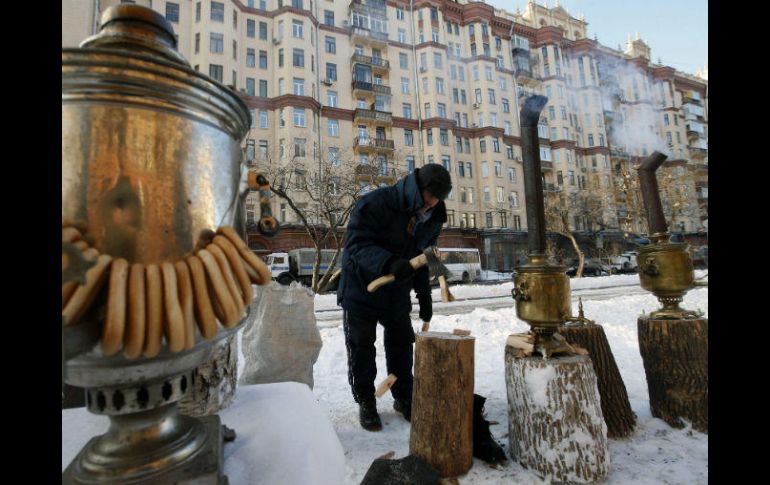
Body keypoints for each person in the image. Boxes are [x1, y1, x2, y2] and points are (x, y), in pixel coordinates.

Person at [337, 164, 452, 431]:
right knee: (361, 347)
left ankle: (403, 397)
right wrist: (388, 263)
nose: (432, 204)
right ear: (417, 188)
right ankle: (366, 400)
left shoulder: (434, 217)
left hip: (396, 292)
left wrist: (425, 295)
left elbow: (425, 256)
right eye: (429, 196)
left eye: (438, 199)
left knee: (401, 343)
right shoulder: (375, 203)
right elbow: (356, 245)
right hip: (362, 288)